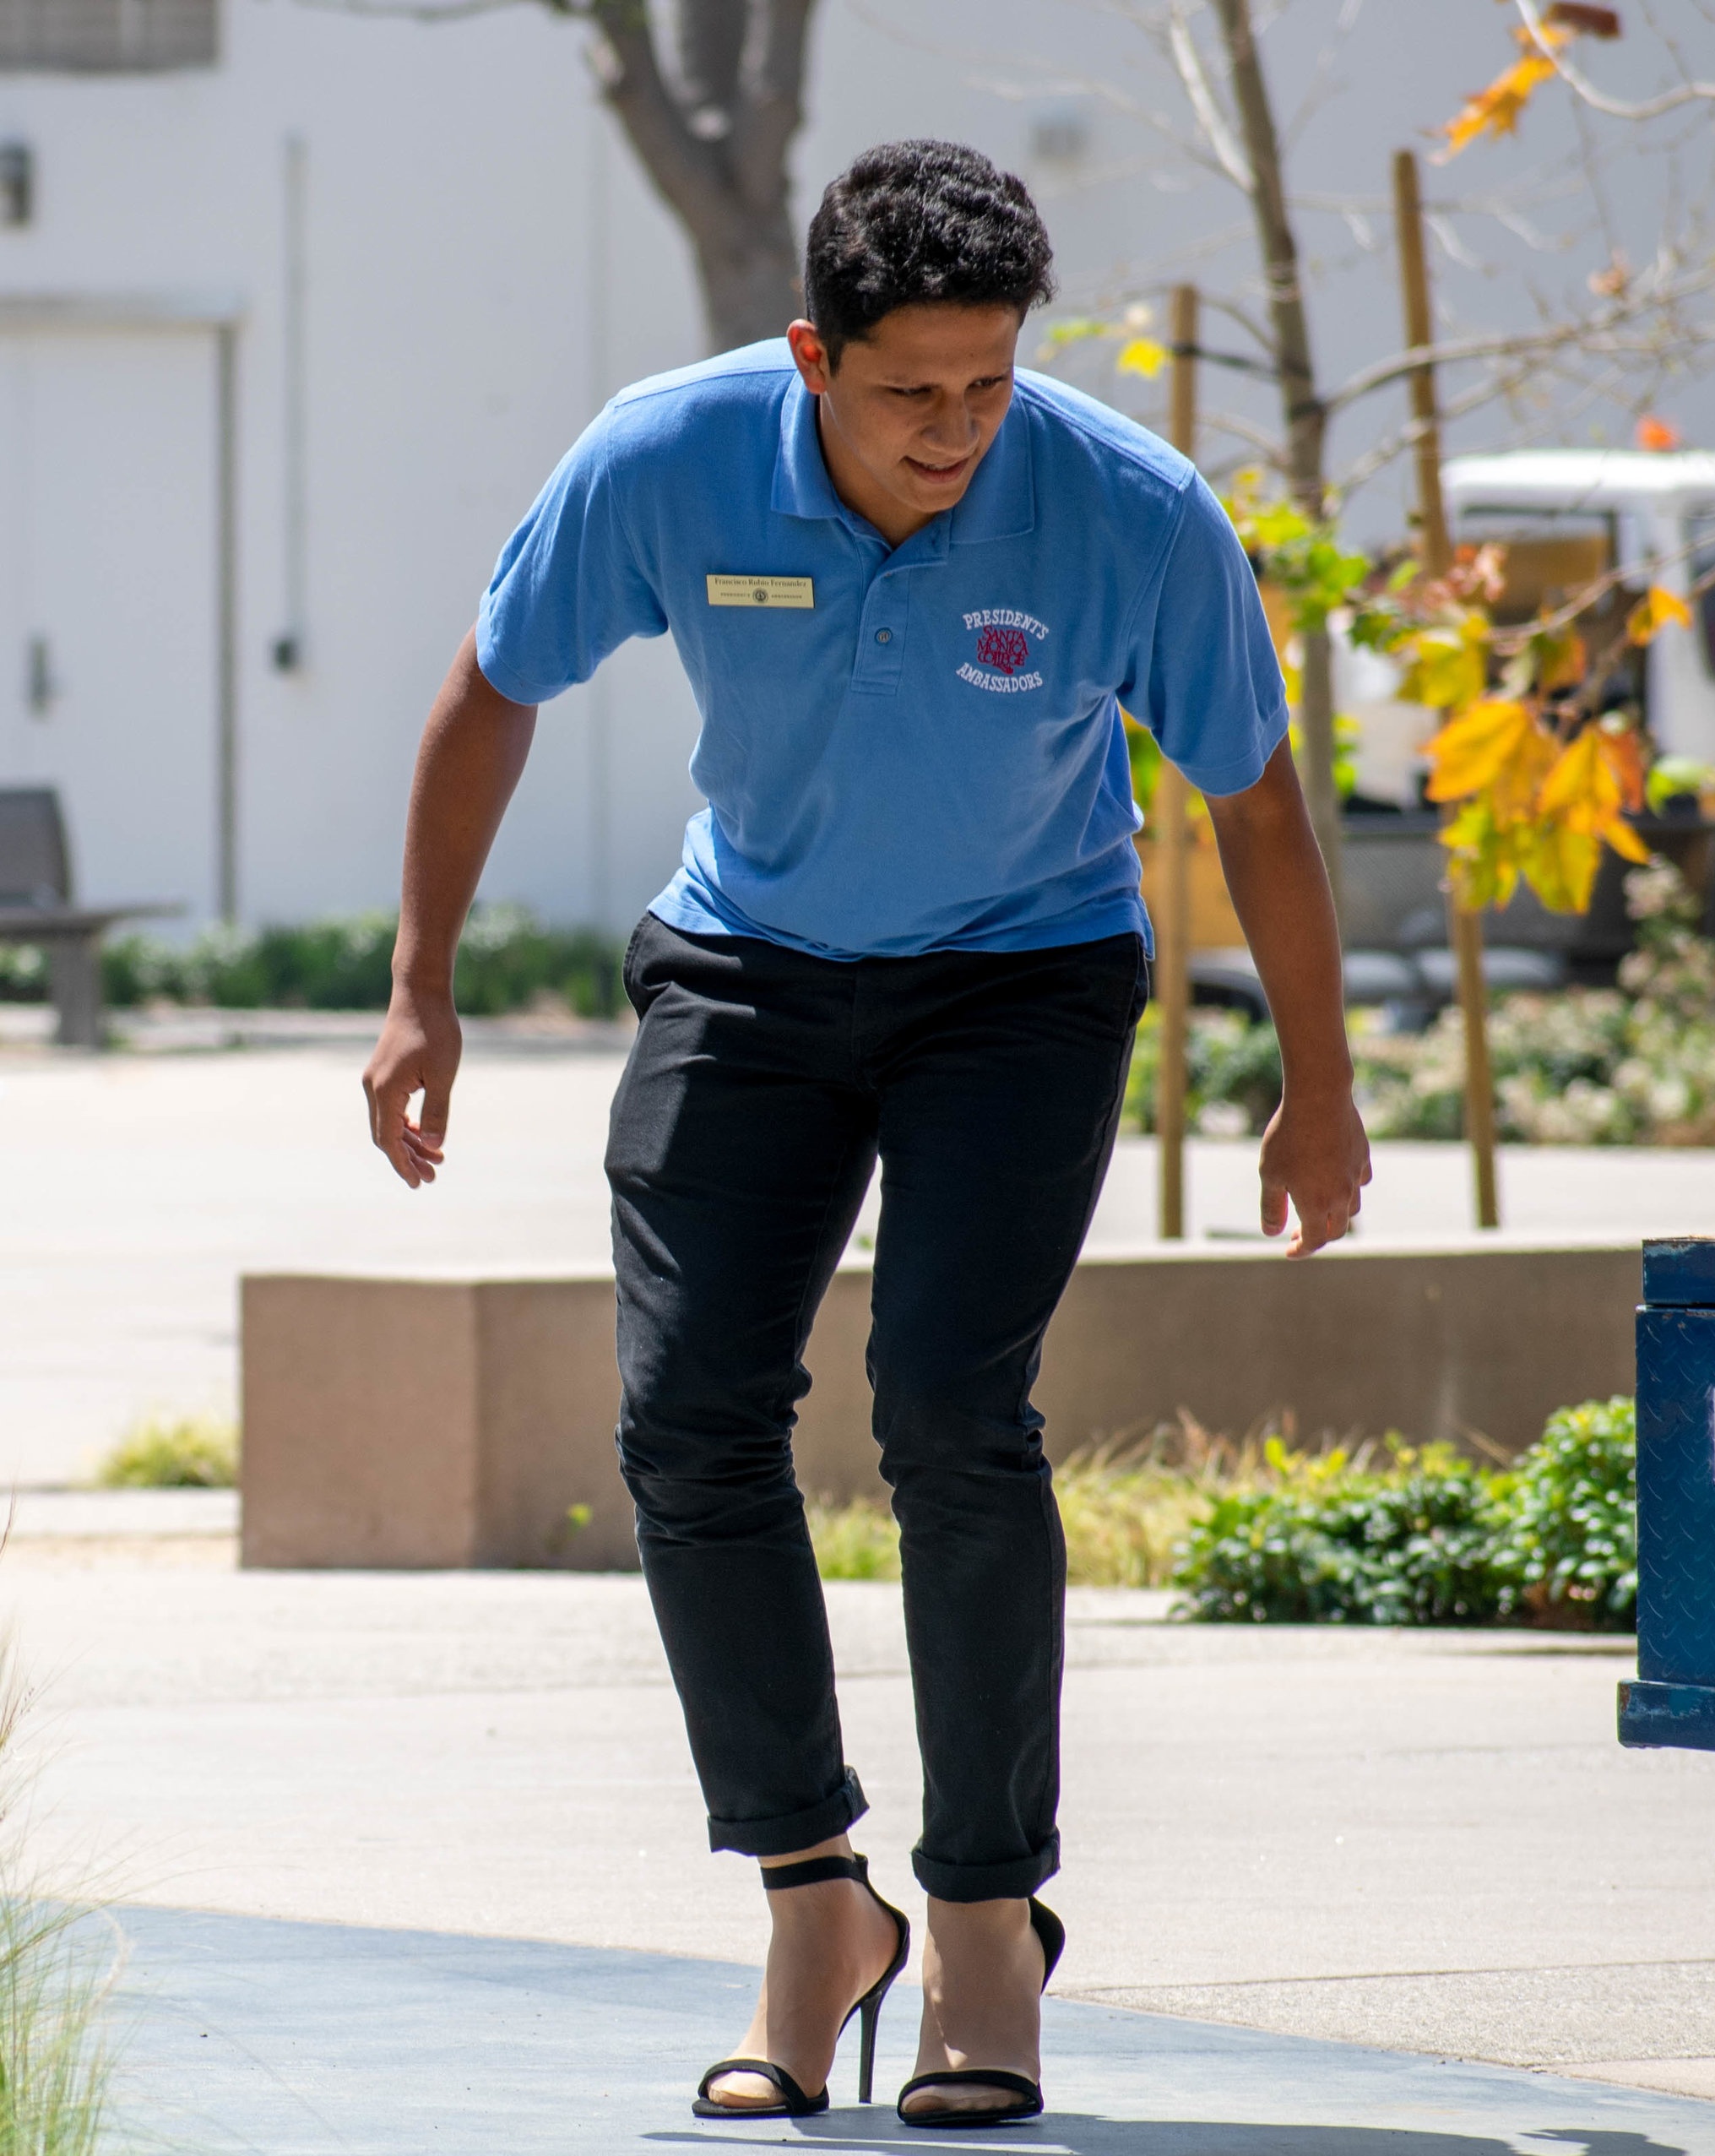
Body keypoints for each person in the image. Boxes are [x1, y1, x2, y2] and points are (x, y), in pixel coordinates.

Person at [361, 138, 1369, 2129]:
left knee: (946, 1413)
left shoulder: (1124, 509)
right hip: (750, 965)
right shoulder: (664, 459)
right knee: (685, 1418)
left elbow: (1251, 796)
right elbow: (493, 682)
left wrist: (1318, 1083)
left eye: (989, 384)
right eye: (911, 391)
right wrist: (420, 979)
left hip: (1025, 976)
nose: (955, 432)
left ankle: (986, 1918)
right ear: (811, 354)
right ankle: (815, 1897)